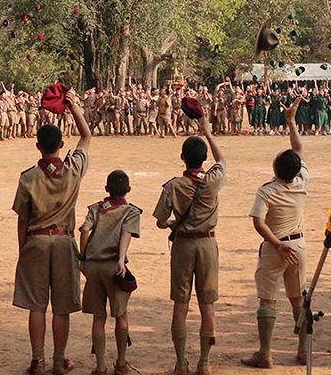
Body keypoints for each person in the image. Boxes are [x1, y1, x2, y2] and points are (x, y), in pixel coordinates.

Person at [12, 89, 94, 375]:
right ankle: (59, 361)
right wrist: (73, 107)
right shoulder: (72, 169)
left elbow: (22, 220)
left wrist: (22, 249)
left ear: (38, 147)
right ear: (61, 144)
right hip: (63, 241)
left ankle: (38, 359)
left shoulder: (28, 177)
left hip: (35, 240)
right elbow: (86, 137)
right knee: (61, 306)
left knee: (37, 305)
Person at [155, 100, 226, 375]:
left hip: (183, 245)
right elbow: (221, 160)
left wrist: (174, 222)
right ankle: (204, 364)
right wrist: (207, 131)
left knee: (181, 305)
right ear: (203, 159)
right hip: (207, 244)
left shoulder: (173, 185)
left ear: (182, 158)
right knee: (207, 307)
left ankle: (181, 362)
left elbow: (162, 222)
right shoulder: (213, 180)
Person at [241, 98, 308, 368]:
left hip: (276, 247)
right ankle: (303, 350)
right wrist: (291, 121)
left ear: (275, 169)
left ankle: (265, 353)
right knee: (298, 298)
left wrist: (277, 244)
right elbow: (299, 149)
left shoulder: (267, 190)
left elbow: (258, 222)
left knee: (268, 299)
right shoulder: (302, 182)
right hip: (299, 245)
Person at [78, 170, 141, 375]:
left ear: (106, 189)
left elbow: (85, 230)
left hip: (93, 266)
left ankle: (101, 367)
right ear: (129, 190)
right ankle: (121, 363)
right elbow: (126, 234)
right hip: (114, 267)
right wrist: (121, 259)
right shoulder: (130, 211)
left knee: (99, 317)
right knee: (121, 315)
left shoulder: (97, 208)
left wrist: (83, 258)